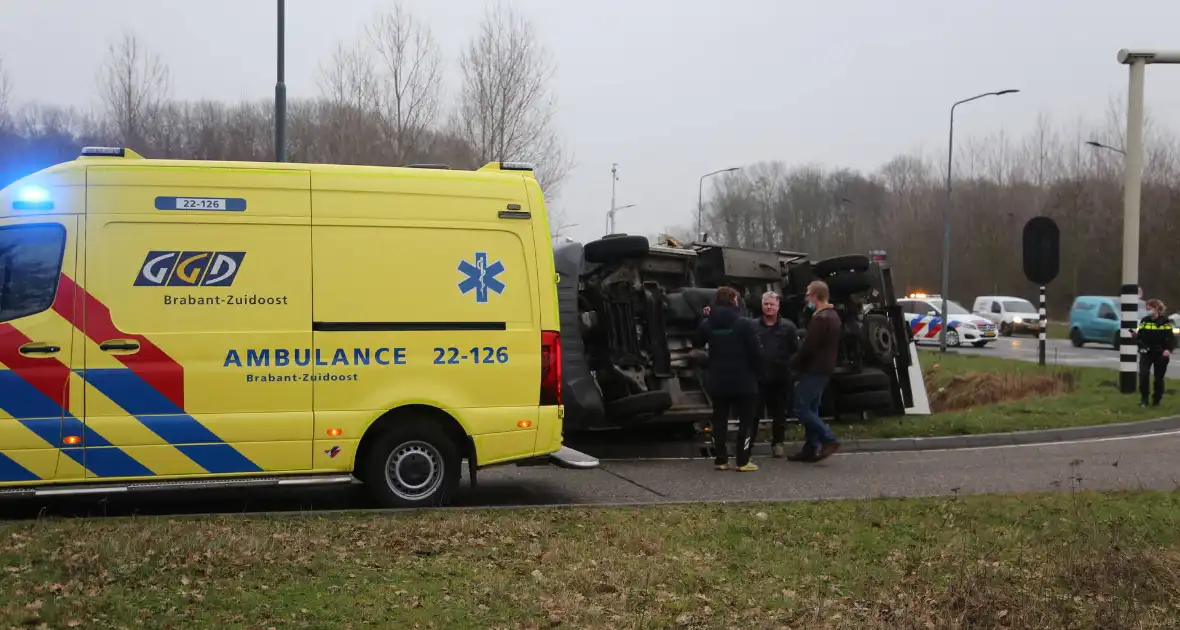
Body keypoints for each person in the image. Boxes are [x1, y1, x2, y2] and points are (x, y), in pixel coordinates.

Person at [697, 286, 763, 472]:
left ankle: (721, 459)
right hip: (744, 380)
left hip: (718, 379)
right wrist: (758, 373)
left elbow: (698, 343)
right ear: (734, 300)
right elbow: (756, 353)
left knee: (719, 420)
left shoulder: (708, 324)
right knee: (746, 421)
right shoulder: (744, 324)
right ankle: (743, 461)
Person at [788, 280, 841, 462]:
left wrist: (794, 363)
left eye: (808, 294)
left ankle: (828, 438)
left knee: (801, 408)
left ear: (816, 296)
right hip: (825, 368)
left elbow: (809, 347)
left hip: (814, 369)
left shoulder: (820, 319)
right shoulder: (833, 316)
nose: (806, 298)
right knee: (812, 407)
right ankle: (811, 447)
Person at [753, 291, 799, 458]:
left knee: (779, 413)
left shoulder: (788, 327)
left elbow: (796, 351)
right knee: (754, 413)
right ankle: (748, 445)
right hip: (758, 378)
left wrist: (793, 371)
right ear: (762, 306)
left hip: (781, 377)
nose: (769, 307)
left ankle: (778, 443)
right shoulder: (753, 326)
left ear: (778, 306)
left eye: (772, 304)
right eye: (766, 304)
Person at [1136, 298, 1174, 407]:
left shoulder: (1165, 322)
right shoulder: (1144, 321)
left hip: (1160, 353)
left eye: (1150, 308)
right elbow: (1139, 336)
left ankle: (1156, 400)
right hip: (1146, 353)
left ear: (1156, 308)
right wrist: (1140, 344)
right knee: (1143, 375)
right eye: (1147, 309)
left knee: (1158, 378)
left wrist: (1167, 350)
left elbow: (1170, 338)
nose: (1148, 310)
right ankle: (1144, 399)